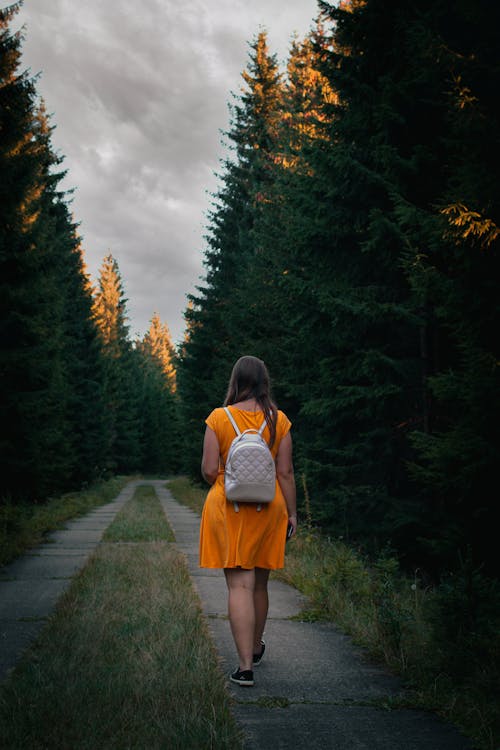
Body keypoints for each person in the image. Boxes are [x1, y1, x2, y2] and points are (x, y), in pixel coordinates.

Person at [199, 355, 297, 687]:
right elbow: (284, 472)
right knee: (260, 584)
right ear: (264, 381)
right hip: (269, 508)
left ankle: (244, 668)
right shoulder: (279, 420)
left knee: (240, 584)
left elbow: (210, 471)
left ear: (236, 381)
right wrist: (293, 514)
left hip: (230, 508)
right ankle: (255, 647)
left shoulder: (218, 418)